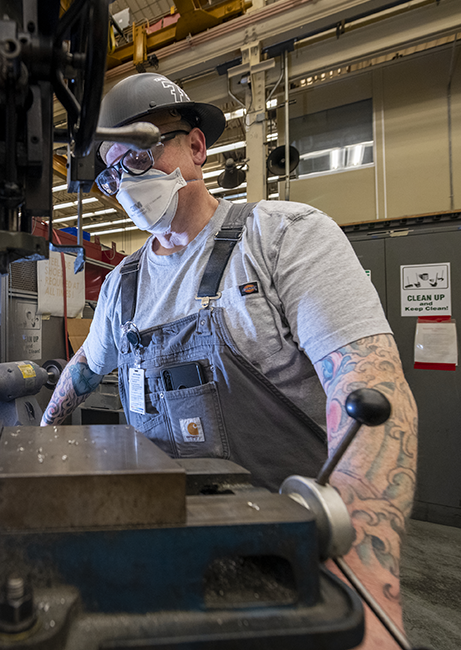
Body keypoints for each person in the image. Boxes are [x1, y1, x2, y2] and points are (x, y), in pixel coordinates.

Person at [41, 73, 418, 650]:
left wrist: (362, 572)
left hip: (293, 558)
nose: (127, 183)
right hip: (169, 553)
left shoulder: (284, 238)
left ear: (195, 148)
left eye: (139, 156)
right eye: (114, 173)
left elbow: (372, 391)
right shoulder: (123, 286)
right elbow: (85, 368)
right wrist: (44, 434)